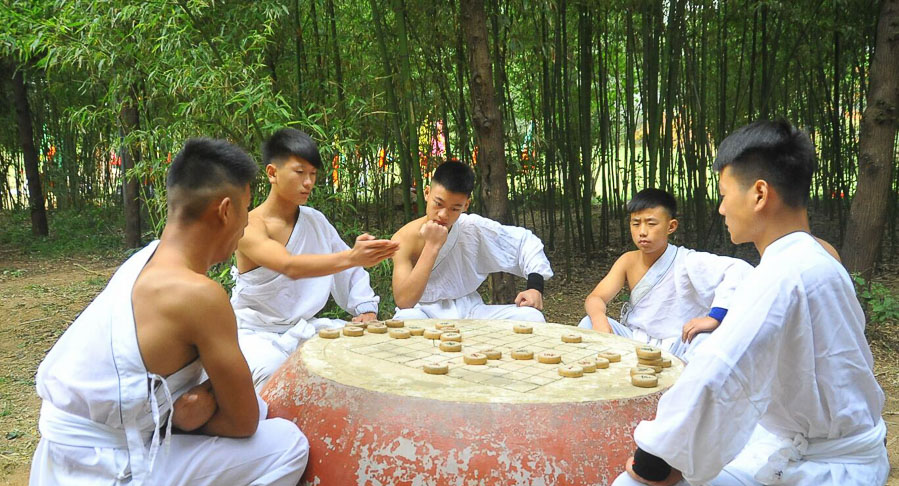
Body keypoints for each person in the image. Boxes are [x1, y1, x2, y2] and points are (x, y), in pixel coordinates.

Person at [592, 119, 888, 486]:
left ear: (760, 194)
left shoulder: (782, 275)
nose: (721, 207)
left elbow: (720, 376)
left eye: (725, 193)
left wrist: (658, 459)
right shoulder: (815, 259)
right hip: (828, 465)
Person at [27, 138, 309, 486]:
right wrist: (197, 412)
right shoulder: (198, 295)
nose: (246, 224)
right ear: (224, 210)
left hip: (63, 479)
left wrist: (194, 409)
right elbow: (244, 422)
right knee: (285, 446)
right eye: (245, 211)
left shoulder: (145, 260)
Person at [232, 128, 397, 388]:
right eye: (299, 172)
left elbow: (347, 273)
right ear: (272, 173)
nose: (308, 182)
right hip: (257, 334)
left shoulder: (315, 220)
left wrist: (365, 309)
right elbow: (289, 266)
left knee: (371, 349)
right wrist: (353, 257)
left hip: (305, 327)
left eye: (313, 174)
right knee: (273, 372)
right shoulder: (249, 225)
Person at [578, 188, 751, 361]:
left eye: (651, 224)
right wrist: (599, 319)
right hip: (633, 341)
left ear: (671, 226)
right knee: (588, 323)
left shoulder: (687, 261)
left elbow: (739, 269)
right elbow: (595, 298)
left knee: (705, 339)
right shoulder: (628, 261)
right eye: (636, 224)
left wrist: (715, 317)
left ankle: (683, 377)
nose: (642, 231)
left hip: (678, 345)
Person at [391, 159, 553, 321]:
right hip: (423, 311)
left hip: (470, 310)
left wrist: (535, 287)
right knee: (406, 319)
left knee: (531, 317)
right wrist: (432, 246)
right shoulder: (403, 239)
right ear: (427, 193)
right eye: (438, 204)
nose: (443, 215)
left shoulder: (472, 228)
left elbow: (524, 242)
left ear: (465, 205)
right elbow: (404, 301)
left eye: (455, 208)